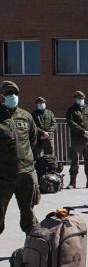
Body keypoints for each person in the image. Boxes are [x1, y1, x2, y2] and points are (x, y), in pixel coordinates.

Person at [0, 81, 39, 235]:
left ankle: (33, 250)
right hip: (3, 175)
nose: (13, 97)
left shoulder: (26, 116)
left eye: (15, 94)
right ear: (1, 97)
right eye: (9, 94)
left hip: (26, 173)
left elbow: (33, 139)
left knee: (28, 212)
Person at [66, 90, 88, 189]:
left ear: (84, 99)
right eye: (78, 99)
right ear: (75, 99)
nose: (80, 100)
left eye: (81, 99)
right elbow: (71, 122)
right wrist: (83, 132)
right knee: (74, 160)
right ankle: (72, 182)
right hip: (77, 139)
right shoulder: (71, 110)